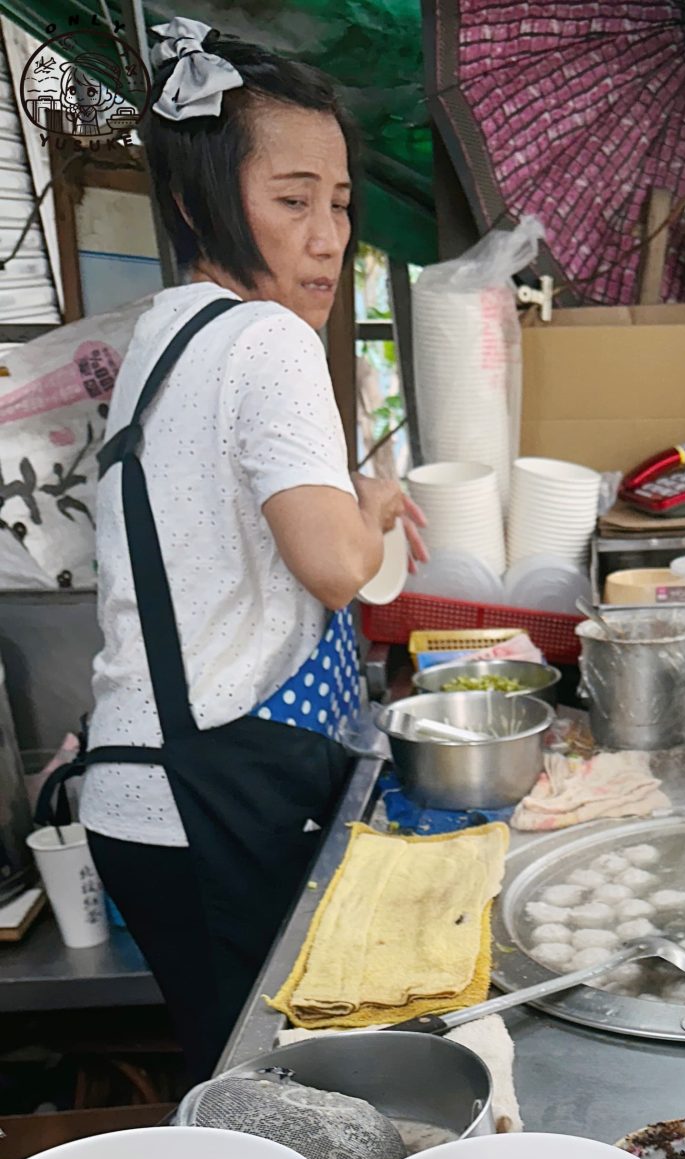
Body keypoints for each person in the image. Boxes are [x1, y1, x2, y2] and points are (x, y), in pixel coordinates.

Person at [76, 19, 425, 1080]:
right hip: (209, 784)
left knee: (226, 1077)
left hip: (136, 793)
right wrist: (378, 504)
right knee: (268, 1099)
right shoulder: (267, 338)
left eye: (341, 204)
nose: (328, 237)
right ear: (198, 202)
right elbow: (333, 566)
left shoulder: (162, 334)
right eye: (291, 200)